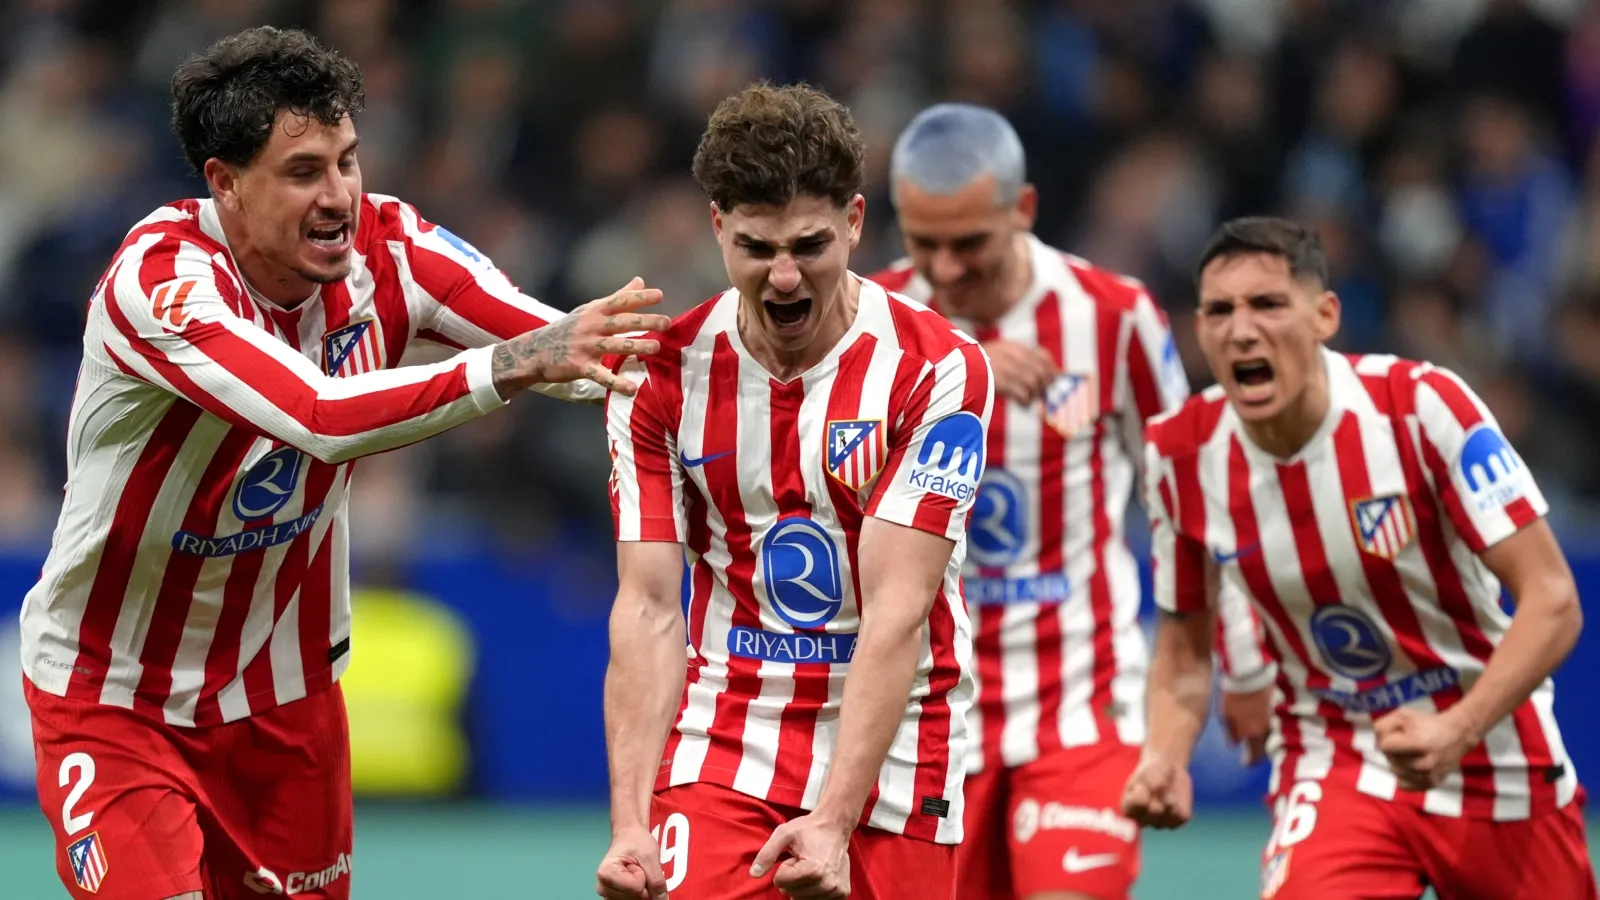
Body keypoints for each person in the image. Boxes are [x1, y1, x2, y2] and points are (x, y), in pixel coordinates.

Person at [20, 27, 670, 900]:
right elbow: (317, 417)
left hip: (284, 699)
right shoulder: (162, 284)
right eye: (302, 173)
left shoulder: (391, 249)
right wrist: (513, 365)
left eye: (347, 161)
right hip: (116, 694)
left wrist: (785, 372)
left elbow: (575, 350)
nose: (340, 197)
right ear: (225, 185)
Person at [594, 83, 993, 900]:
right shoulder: (655, 374)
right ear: (717, 228)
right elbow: (648, 607)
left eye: (809, 245)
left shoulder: (936, 371)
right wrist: (630, 823)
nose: (782, 277)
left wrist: (833, 820)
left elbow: (898, 610)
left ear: (854, 222)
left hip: (896, 749)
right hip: (725, 738)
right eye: (756, 247)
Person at [868, 103, 1275, 900]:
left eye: (969, 244)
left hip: (1080, 703)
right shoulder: (872, 322)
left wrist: (1246, 656)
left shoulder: (1115, 316)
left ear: (1022, 211)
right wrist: (964, 365)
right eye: (924, 243)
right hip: (921, 714)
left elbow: (1185, 499)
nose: (945, 270)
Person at [1123, 216, 1596, 900]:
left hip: (1494, 749)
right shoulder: (1179, 455)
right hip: (1334, 756)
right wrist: (1164, 756)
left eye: (1268, 304)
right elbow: (1184, 650)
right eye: (1219, 310)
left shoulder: (1420, 409)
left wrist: (1456, 729)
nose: (1241, 329)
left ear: (1325, 316)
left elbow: (1553, 599)